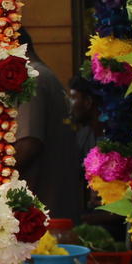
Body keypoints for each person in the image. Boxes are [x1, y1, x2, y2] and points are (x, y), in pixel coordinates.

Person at [13, 28, 81, 223]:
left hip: (40, 212)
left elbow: (28, 145)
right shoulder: (45, 75)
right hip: (53, 206)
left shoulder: (33, 78)